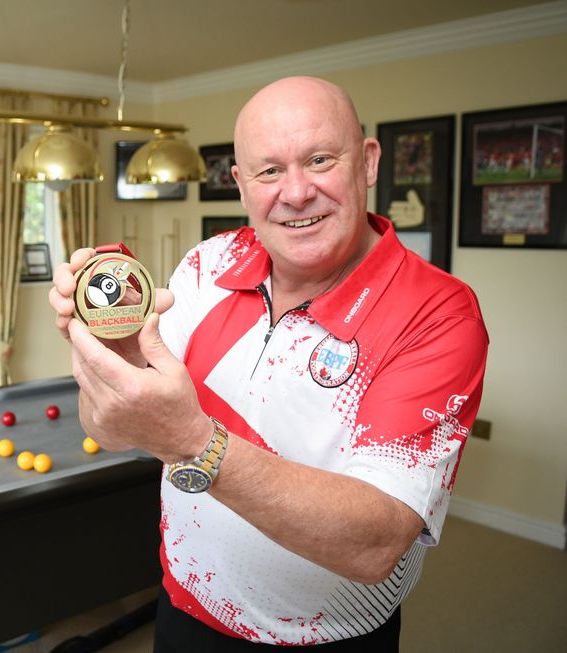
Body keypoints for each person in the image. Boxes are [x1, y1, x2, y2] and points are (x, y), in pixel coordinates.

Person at [48, 76, 488, 651]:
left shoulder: (437, 313)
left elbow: (375, 544)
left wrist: (193, 441)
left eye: (320, 159)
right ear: (240, 184)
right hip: (184, 607)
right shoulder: (208, 264)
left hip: (329, 638)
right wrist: (114, 362)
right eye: (270, 170)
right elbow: (105, 430)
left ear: (369, 162)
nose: (297, 191)